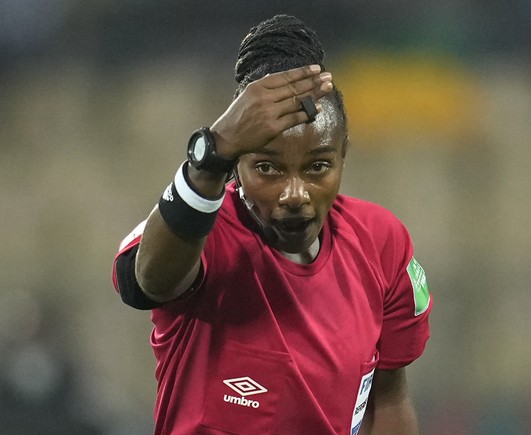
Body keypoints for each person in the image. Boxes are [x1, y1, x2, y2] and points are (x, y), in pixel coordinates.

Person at [112, 14, 432, 435]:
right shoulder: (202, 234)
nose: (295, 195)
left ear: (342, 156)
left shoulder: (381, 243)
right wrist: (211, 154)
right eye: (267, 167)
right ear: (238, 165)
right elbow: (146, 281)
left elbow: (388, 400)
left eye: (318, 166)